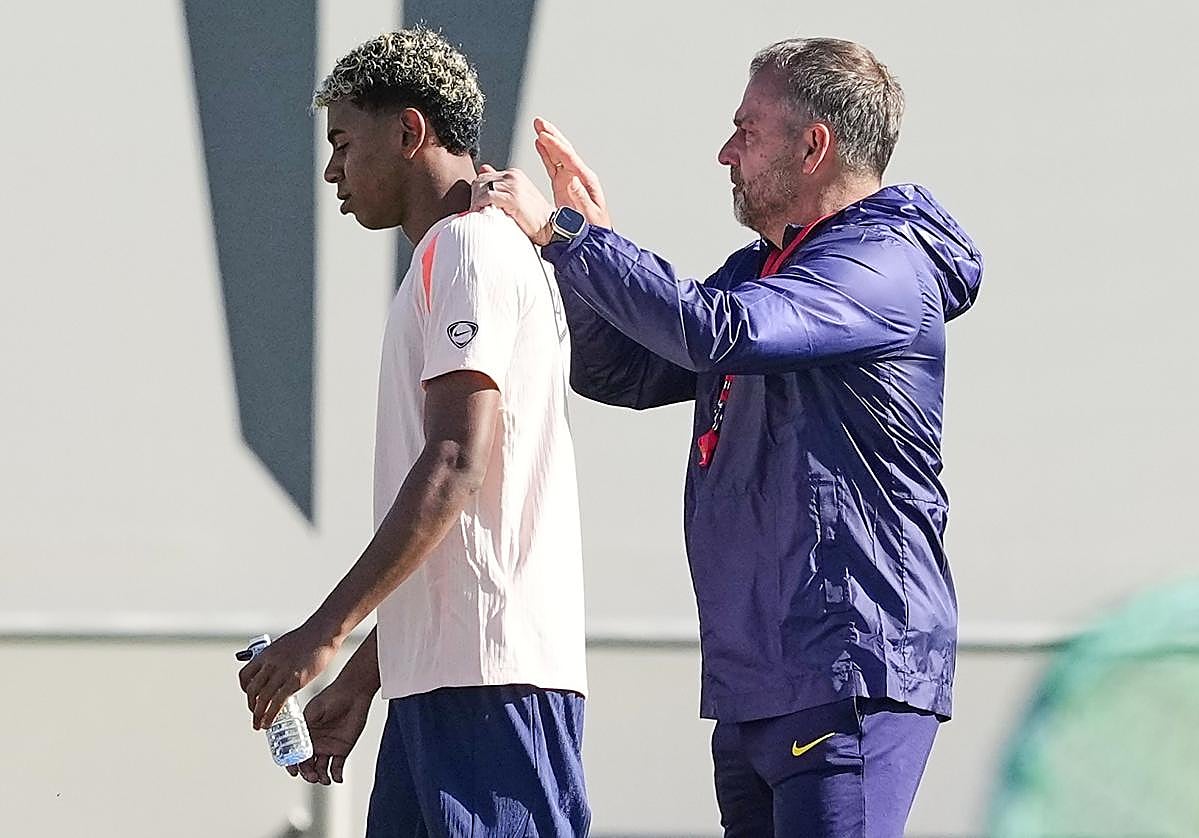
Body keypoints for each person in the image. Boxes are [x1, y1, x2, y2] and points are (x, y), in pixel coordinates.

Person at [474, 37, 983, 838]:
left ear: (813, 146)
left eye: (746, 129)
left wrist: (570, 237)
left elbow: (719, 333)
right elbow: (626, 374)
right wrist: (585, 255)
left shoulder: (882, 265)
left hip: (845, 666)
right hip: (758, 682)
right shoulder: (766, 270)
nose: (724, 152)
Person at [237, 28, 590, 837]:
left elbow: (456, 464)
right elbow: (459, 525)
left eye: (342, 143)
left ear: (408, 133)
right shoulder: (461, 251)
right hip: (439, 685)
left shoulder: (467, 248)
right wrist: (365, 676)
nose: (331, 170)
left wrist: (322, 635)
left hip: (494, 688)